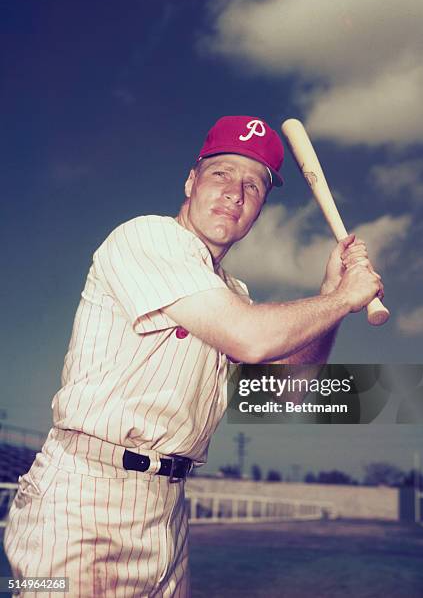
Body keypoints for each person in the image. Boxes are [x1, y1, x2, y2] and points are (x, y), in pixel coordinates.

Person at [4, 115, 383, 596]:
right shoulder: (146, 238)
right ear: (191, 180)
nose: (235, 193)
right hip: (84, 496)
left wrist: (331, 298)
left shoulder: (233, 294)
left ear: (260, 208)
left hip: (167, 509)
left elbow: (288, 391)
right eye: (221, 173)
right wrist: (344, 298)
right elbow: (249, 337)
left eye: (254, 185)